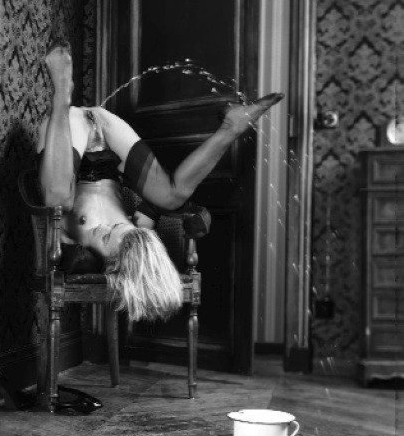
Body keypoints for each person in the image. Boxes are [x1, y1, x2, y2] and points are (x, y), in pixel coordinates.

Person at [37, 39, 284, 323]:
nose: (106, 225)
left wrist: (73, 248)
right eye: (119, 226)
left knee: (57, 199)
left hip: (69, 139)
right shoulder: (140, 229)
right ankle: (231, 128)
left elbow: (51, 223)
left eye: (104, 235)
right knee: (170, 196)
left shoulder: (74, 248)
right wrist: (198, 216)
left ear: (113, 267)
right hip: (105, 130)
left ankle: (61, 94)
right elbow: (177, 209)